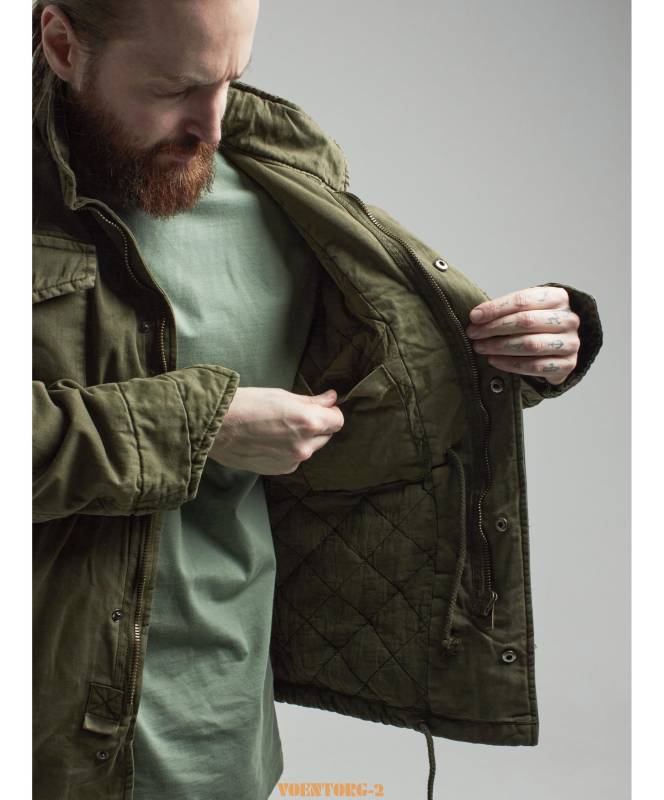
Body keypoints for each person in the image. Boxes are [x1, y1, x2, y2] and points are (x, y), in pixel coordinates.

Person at [32, 2, 603, 799]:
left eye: (231, 81)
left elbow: (381, 401)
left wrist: (532, 350)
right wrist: (200, 426)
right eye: (175, 88)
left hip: (223, 739)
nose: (212, 125)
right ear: (63, 45)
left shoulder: (278, 191)